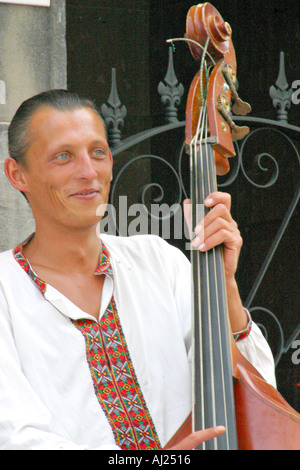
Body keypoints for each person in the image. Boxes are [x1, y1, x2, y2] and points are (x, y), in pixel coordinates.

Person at [0, 89, 276, 450]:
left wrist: (225, 285)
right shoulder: (5, 290)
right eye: (63, 156)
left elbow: (256, 394)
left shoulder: (159, 261)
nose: (88, 171)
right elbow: (17, 437)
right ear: (17, 174)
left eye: (98, 152)